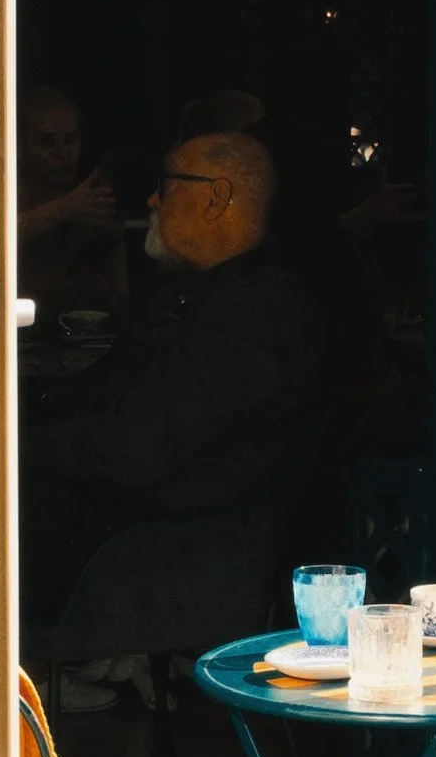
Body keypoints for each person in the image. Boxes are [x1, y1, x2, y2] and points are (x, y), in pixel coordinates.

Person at [22, 131, 326, 654]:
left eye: (168, 184)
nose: (153, 200)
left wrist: (9, 446)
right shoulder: (200, 294)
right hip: (136, 531)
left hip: (155, 554)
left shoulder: (252, 313)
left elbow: (132, 447)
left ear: (216, 197)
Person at [17, 86, 128, 326]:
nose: (62, 154)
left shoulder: (91, 195)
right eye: (46, 143)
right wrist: (63, 210)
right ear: (20, 147)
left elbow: (121, 295)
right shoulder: (4, 194)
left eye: (70, 140)